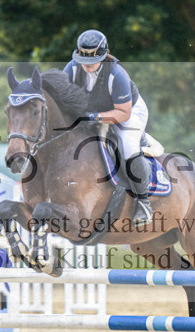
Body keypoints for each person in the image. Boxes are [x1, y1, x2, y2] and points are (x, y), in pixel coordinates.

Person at [63, 29, 153, 226]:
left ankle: (143, 202)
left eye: (92, 61)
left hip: (128, 111)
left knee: (128, 147)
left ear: (104, 56)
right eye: (83, 60)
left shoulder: (116, 74)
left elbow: (123, 113)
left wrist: (94, 117)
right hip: (92, 113)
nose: (87, 66)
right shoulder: (71, 69)